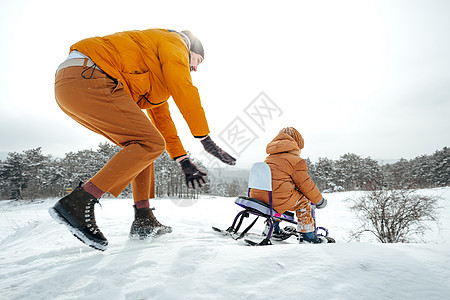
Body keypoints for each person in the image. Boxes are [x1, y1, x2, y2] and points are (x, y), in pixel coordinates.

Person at [49, 29, 236, 251]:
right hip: (92, 75)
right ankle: (79, 202)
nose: (195, 68)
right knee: (149, 144)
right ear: (190, 49)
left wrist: (183, 160)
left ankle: (144, 218)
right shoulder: (175, 42)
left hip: (73, 84)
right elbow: (184, 87)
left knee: (143, 146)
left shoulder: (156, 70)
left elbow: (163, 121)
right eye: (197, 61)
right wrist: (205, 138)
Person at [250, 127, 328, 243]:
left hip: (258, 197)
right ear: (296, 143)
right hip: (275, 199)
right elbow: (306, 185)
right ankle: (307, 235)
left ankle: (271, 229)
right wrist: (319, 200)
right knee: (304, 201)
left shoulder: (269, 158)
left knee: (279, 196)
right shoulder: (296, 160)